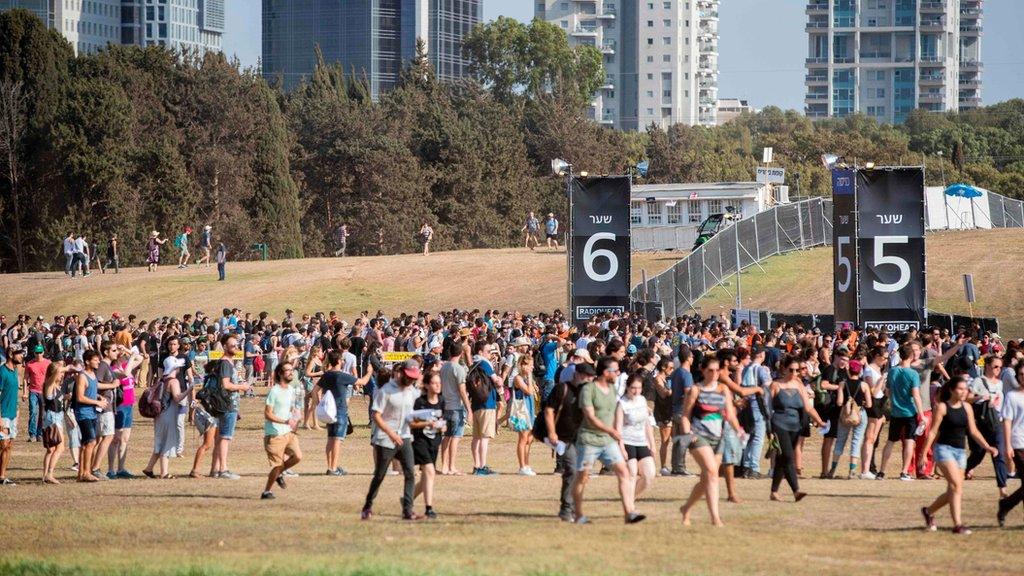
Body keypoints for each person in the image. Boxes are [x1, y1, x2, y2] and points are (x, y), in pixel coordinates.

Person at [571, 357, 646, 525]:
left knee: (624, 472)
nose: (618, 373)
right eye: (615, 370)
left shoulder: (612, 389)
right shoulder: (588, 390)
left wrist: (617, 436)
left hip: (607, 441)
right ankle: (578, 514)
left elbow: (613, 415)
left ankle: (629, 513)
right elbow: (590, 417)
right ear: (606, 373)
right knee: (583, 477)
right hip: (588, 440)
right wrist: (611, 431)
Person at [920, 376, 998, 535]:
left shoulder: (967, 408)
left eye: (965, 389)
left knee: (955, 489)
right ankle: (958, 525)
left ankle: (928, 511)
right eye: (960, 389)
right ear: (951, 390)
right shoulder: (942, 407)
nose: (963, 392)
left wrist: (987, 446)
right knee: (956, 485)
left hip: (960, 452)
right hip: (943, 450)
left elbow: (974, 431)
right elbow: (933, 431)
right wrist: (923, 455)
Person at [678, 356, 745, 527]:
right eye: (711, 370)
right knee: (712, 474)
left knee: (707, 478)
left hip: (718, 438)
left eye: (717, 370)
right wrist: (687, 434)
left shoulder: (723, 389)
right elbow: (685, 416)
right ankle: (715, 518)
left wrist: (739, 430)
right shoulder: (695, 390)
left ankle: (686, 508)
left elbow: (730, 414)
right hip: (698, 436)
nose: (714, 374)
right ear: (703, 370)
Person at [362, 360, 421, 521]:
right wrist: (390, 433)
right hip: (385, 439)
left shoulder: (413, 392)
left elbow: (415, 414)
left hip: (405, 437)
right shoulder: (387, 390)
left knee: (410, 473)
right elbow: (376, 414)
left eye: (413, 378)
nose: (410, 380)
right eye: (408, 377)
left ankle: (407, 510)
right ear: (401, 373)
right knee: (380, 475)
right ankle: (367, 506)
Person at [546, 362, 595, 522]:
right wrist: (552, 432)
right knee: (572, 470)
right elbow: (548, 410)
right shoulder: (562, 389)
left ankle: (573, 507)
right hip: (564, 438)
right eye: (586, 377)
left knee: (582, 474)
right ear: (577, 375)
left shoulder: (588, 391)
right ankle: (566, 508)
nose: (588, 380)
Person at [316, 350, 370, 476]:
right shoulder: (342, 376)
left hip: (329, 412)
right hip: (340, 411)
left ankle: (330, 466)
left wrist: (319, 404)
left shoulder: (326, 375)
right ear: (339, 361)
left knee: (330, 439)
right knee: (337, 441)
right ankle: (333, 468)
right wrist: (369, 372)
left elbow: (315, 391)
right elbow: (362, 382)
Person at [879, 343, 925, 481]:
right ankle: (904, 471)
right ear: (911, 355)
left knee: (890, 441)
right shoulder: (913, 374)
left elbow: (887, 390)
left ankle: (881, 471)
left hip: (895, 412)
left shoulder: (893, 371)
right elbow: (916, 395)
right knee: (910, 441)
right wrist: (922, 414)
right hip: (910, 412)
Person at [142, 354, 194, 479]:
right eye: (177, 367)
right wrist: (189, 389)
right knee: (167, 442)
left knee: (160, 442)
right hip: (168, 413)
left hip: (159, 414)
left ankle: (149, 469)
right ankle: (164, 473)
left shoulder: (161, 379)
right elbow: (177, 398)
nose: (179, 369)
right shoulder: (174, 381)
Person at [965, 354, 1009, 497]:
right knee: (978, 453)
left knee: (999, 453)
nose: (998, 370)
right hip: (981, 422)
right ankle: (964, 470)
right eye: (996, 366)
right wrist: (980, 397)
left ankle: (1002, 486)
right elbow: (968, 398)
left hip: (996, 422)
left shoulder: (1000, 383)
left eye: (1000, 367)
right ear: (988, 366)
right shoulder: (978, 381)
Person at [211, 334, 252, 480]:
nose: (236, 347)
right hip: (227, 405)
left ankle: (216, 469)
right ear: (225, 346)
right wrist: (243, 386)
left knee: (223, 437)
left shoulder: (228, 363)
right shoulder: (225, 363)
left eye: (237, 345)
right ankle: (223, 469)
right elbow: (226, 385)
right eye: (233, 345)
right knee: (225, 437)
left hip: (229, 404)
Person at [261, 362, 302, 500]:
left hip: (288, 432)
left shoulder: (290, 389)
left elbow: (289, 409)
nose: (291, 373)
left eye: (292, 370)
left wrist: (295, 416)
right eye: (287, 370)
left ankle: (279, 473)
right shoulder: (274, 391)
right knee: (277, 466)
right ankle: (266, 491)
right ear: (280, 373)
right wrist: (285, 421)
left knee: (298, 456)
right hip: (274, 434)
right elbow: (268, 414)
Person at [411, 371, 446, 519]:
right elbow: (412, 423)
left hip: (434, 442)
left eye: (439, 383)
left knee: (426, 477)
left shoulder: (442, 400)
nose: (437, 385)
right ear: (426, 385)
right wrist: (427, 423)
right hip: (420, 442)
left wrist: (443, 427)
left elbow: (444, 420)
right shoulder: (420, 402)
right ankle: (429, 509)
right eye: (434, 383)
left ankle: (407, 499)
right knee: (430, 471)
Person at [616, 373, 657, 500]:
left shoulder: (642, 400)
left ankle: (630, 496)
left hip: (642, 442)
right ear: (627, 387)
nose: (636, 391)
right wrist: (621, 448)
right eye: (633, 387)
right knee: (632, 473)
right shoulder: (622, 404)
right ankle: (629, 503)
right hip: (627, 441)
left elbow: (647, 424)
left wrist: (652, 444)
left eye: (639, 388)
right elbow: (617, 428)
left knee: (649, 474)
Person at [829, 359, 872, 479]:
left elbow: (839, 402)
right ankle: (852, 471)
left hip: (845, 413)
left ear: (849, 370)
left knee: (840, 441)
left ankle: (832, 469)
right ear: (859, 372)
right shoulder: (864, 385)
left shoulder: (843, 384)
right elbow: (869, 404)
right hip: (859, 414)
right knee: (856, 441)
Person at [73, 350, 109, 482]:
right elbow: (80, 397)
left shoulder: (93, 374)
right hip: (83, 414)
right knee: (91, 442)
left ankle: (81, 474)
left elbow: (91, 389)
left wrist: (99, 396)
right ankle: (87, 472)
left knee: (85, 444)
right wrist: (97, 402)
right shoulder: (82, 376)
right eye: (95, 359)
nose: (98, 361)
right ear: (87, 361)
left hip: (92, 413)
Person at [108, 346, 143, 479]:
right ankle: (111, 469)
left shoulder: (125, 364)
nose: (122, 355)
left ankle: (121, 468)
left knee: (125, 439)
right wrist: (132, 357)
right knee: (115, 439)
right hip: (120, 406)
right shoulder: (113, 370)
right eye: (119, 353)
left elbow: (140, 358)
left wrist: (128, 351)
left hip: (129, 405)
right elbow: (126, 374)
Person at [470, 342, 503, 476]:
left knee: (477, 437)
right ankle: (482, 466)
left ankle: (477, 465)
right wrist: (500, 380)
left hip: (476, 403)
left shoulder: (474, 364)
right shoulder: (484, 363)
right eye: (488, 351)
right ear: (480, 352)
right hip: (487, 403)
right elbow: (497, 381)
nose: (490, 354)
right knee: (484, 437)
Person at [439, 342, 471, 475]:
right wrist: (468, 408)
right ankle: (451, 466)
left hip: (445, 405)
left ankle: (444, 466)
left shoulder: (444, 367)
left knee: (446, 437)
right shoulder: (458, 368)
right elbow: (462, 390)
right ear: (461, 353)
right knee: (455, 437)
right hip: (456, 407)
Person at [999, 364, 1024, 526]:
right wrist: (1008, 445)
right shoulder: (1012, 396)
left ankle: (1006, 504)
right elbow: (1007, 421)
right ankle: (1006, 505)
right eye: (1021, 374)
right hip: (1018, 442)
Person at [859, 347, 889, 479]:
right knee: (870, 438)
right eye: (884, 358)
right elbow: (872, 392)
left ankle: (870, 467)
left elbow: (880, 390)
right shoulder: (868, 370)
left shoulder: (877, 369)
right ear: (877, 356)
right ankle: (865, 469)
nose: (886, 361)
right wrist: (882, 380)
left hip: (880, 403)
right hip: (873, 404)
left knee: (874, 439)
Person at [510, 354, 539, 476]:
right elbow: (529, 391)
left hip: (530, 410)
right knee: (523, 438)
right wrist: (530, 377)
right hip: (522, 412)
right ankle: (522, 466)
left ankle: (527, 465)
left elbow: (534, 392)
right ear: (523, 365)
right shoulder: (518, 378)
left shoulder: (527, 378)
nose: (532, 368)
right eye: (530, 365)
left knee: (529, 439)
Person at [0, 344, 24, 485]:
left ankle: (2, 476)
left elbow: (15, 393)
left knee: (9, 445)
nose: (22, 355)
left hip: (12, 415)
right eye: (19, 353)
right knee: (3, 444)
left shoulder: (15, 371)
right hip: (3, 415)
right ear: (11, 354)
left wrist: (17, 411)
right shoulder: (2, 372)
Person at [40, 361, 67, 484]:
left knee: (51, 449)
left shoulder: (57, 386)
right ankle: (50, 474)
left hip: (56, 416)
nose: (62, 375)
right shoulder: (49, 385)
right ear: (54, 373)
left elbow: (57, 399)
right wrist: (65, 368)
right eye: (60, 373)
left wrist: (67, 397)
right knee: (60, 448)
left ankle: (45, 475)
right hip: (53, 418)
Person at [24, 344, 51, 443]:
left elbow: (52, 377)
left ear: (43, 352)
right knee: (33, 412)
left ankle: (40, 434)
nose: (39, 354)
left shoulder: (48, 363)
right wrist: (25, 393)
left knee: (43, 414)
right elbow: (25, 378)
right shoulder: (30, 364)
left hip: (44, 392)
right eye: (37, 353)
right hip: (33, 391)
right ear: (34, 353)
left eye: (40, 352)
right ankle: (32, 434)